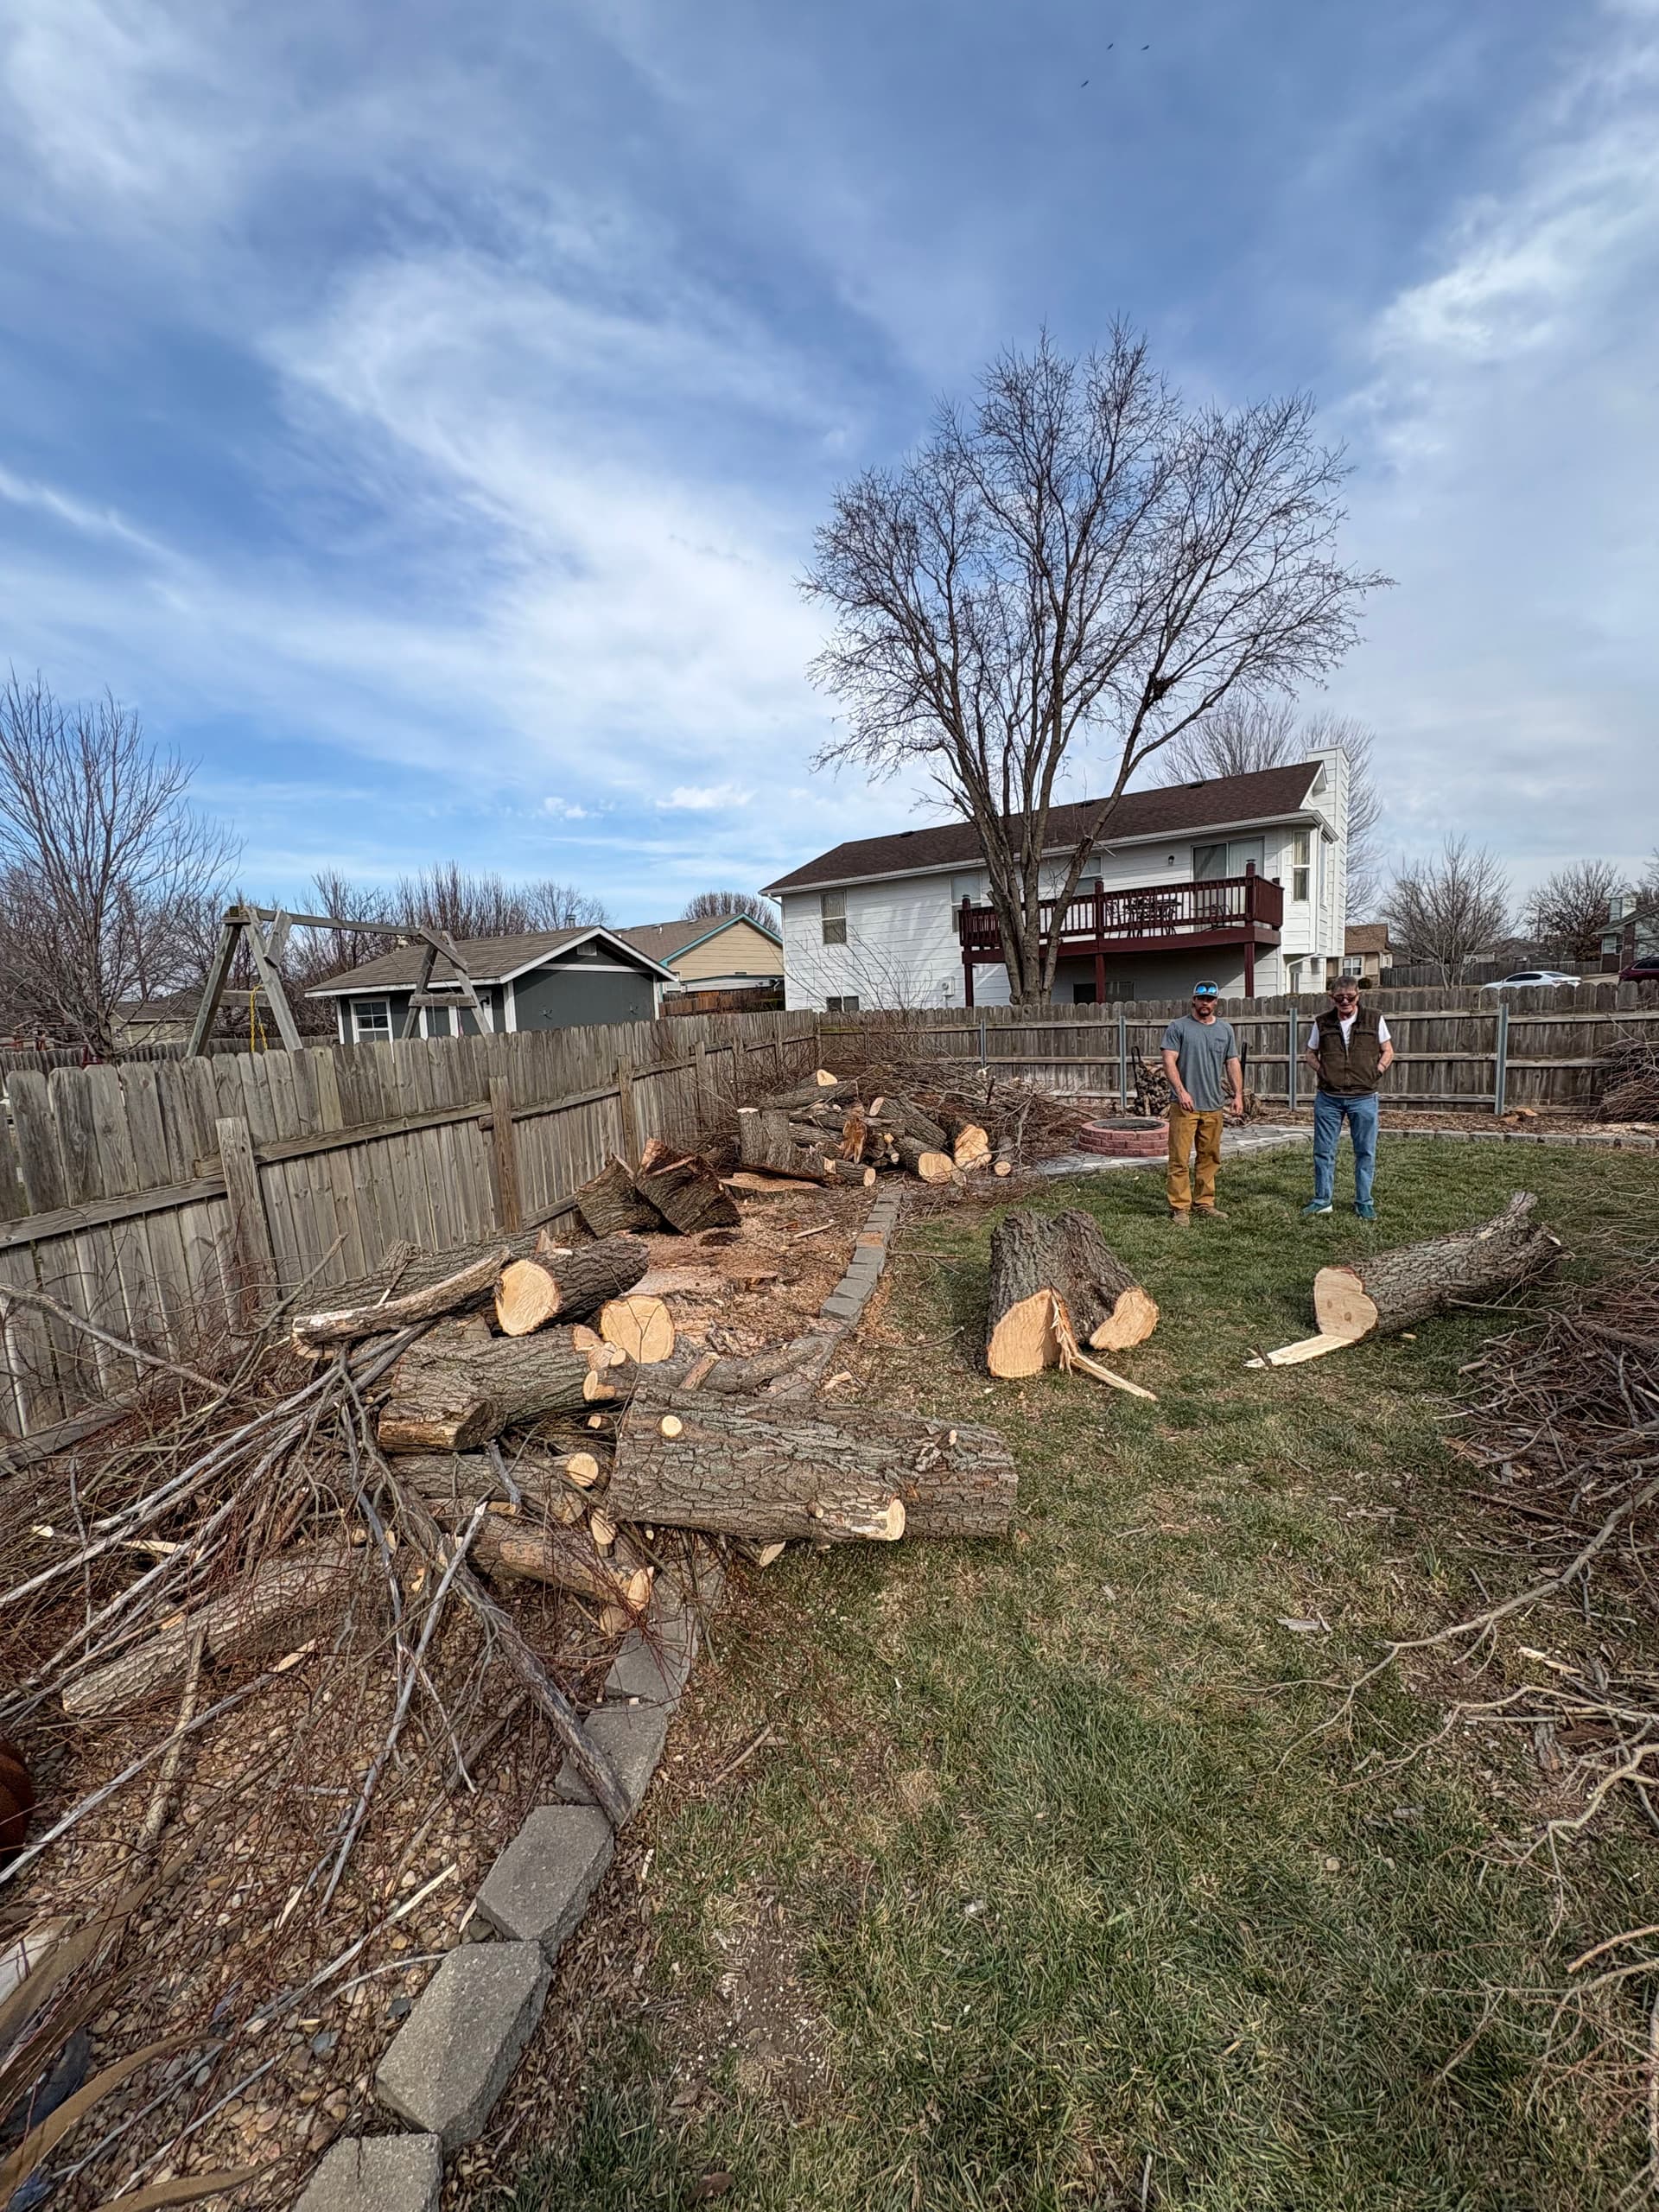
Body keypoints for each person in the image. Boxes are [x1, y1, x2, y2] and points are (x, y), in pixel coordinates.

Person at [1300, 980, 1395, 1219]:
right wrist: (1322, 1070)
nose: (1345, 1001)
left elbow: (1388, 1050)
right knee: (1323, 1151)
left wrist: (1378, 1070)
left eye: (1350, 997)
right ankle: (1322, 1200)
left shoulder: (1374, 1019)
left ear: (1358, 996)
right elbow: (1310, 1052)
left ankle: (1364, 1201)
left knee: (1365, 1151)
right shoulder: (1322, 1022)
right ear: (1331, 997)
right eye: (1339, 997)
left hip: (1364, 1098)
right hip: (1328, 1098)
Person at [1160, 982, 1243, 1224]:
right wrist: (1181, 1091)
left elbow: (1232, 1062)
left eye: (1209, 999)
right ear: (1193, 1000)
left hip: (1213, 1105)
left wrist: (1237, 1095)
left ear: (1216, 1002)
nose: (1205, 1003)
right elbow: (1168, 1060)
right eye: (1200, 998)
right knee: (1179, 1158)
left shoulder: (1225, 1030)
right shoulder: (1179, 1027)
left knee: (1210, 1157)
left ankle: (1204, 1203)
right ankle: (1180, 1207)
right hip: (1185, 1106)